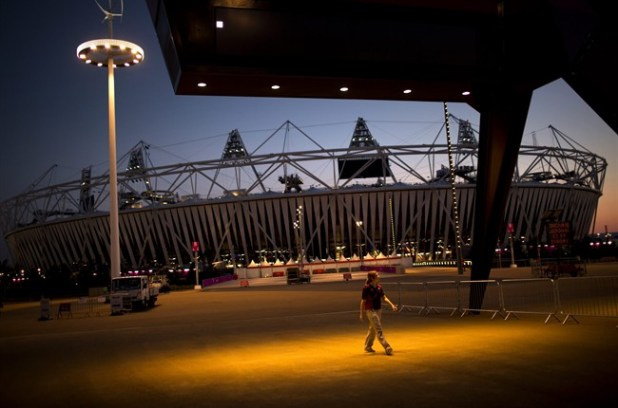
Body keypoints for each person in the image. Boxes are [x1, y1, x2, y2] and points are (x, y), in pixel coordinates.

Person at [360, 271, 398, 355]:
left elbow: (384, 297)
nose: (379, 276)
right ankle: (387, 346)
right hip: (371, 310)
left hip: (378, 310)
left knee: (373, 329)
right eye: (377, 275)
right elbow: (363, 302)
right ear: (372, 278)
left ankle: (368, 346)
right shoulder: (366, 288)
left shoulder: (379, 287)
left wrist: (392, 305)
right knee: (378, 329)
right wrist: (361, 314)